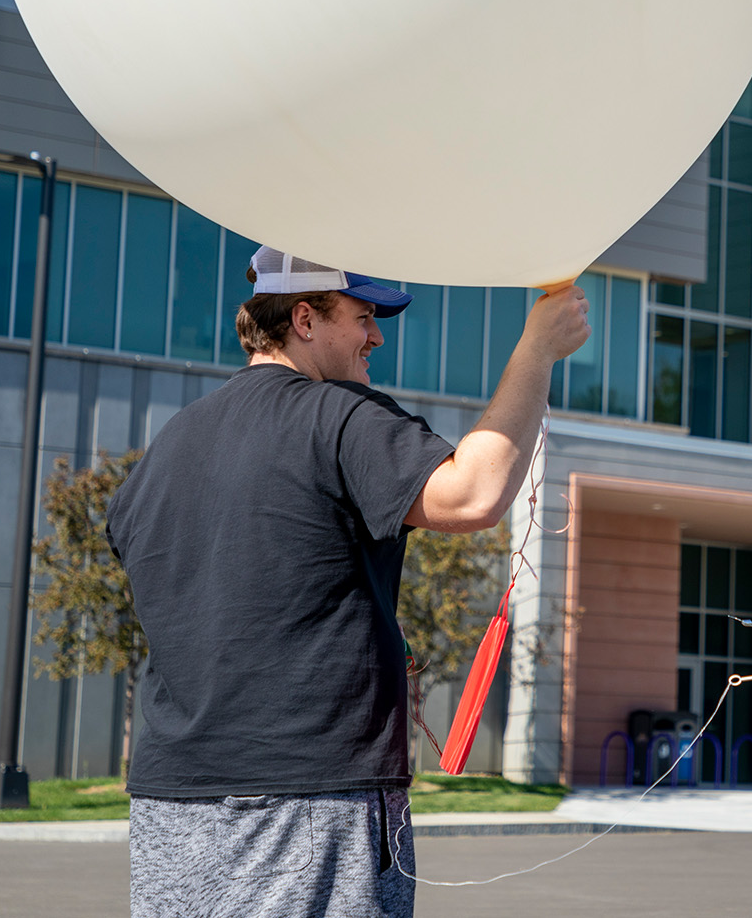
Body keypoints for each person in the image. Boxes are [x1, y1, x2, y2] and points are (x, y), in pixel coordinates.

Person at [107, 247, 590, 918]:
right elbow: (473, 494)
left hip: (171, 808)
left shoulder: (165, 449)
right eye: (362, 315)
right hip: (308, 799)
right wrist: (537, 349)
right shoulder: (337, 415)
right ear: (304, 318)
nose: (377, 334)